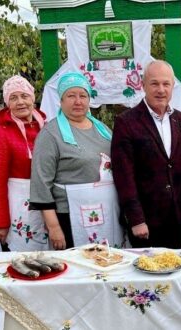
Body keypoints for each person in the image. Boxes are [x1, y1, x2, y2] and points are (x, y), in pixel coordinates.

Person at [29, 72, 125, 250]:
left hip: (107, 213)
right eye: (71, 96)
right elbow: (41, 183)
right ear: (61, 100)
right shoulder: (51, 134)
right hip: (68, 216)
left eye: (83, 95)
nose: (78, 101)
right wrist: (54, 227)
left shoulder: (102, 129)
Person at [111, 60, 181, 249]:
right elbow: (124, 175)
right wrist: (136, 218)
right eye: (154, 83)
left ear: (173, 86)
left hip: (177, 219)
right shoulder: (126, 122)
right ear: (143, 85)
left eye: (166, 84)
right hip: (145, 223)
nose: (161, 90)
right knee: (147, 275)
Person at [0, 75, 47, 251]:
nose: (20, 102)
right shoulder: (1, 134)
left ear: (33, 98)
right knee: (29, 259)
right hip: (20, 204)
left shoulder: (48, 127)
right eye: (13, 98)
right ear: (7, 103)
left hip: (50, 204)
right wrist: (1, 222)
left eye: (24, 96)